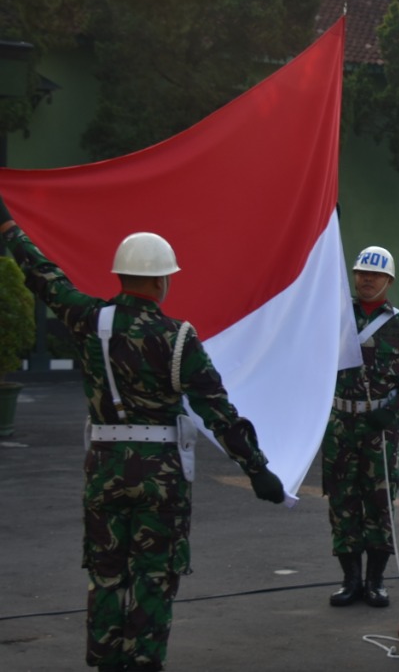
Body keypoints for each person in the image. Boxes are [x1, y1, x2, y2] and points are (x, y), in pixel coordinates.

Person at [0, 198, 286, 672]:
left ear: (120, 276)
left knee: (106, 570)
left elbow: (45, 277)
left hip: (104, 467)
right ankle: (144, 661)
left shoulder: (88, 320)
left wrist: (10, 229)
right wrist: (257, 469)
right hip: (160, 475)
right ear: (160, 281)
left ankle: (107, 659)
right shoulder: (178, 338)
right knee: (154, 575)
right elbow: (217, 411)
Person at [326, 246, 399, 609]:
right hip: (340, 424)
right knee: (341, 500)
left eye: (374, 275)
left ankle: (376, 581)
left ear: (389, 280)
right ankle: (350, 580)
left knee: (380, 500)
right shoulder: (336, 317)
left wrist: (394, 410)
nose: (366, 280)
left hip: (380, 427)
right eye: (361, 273)